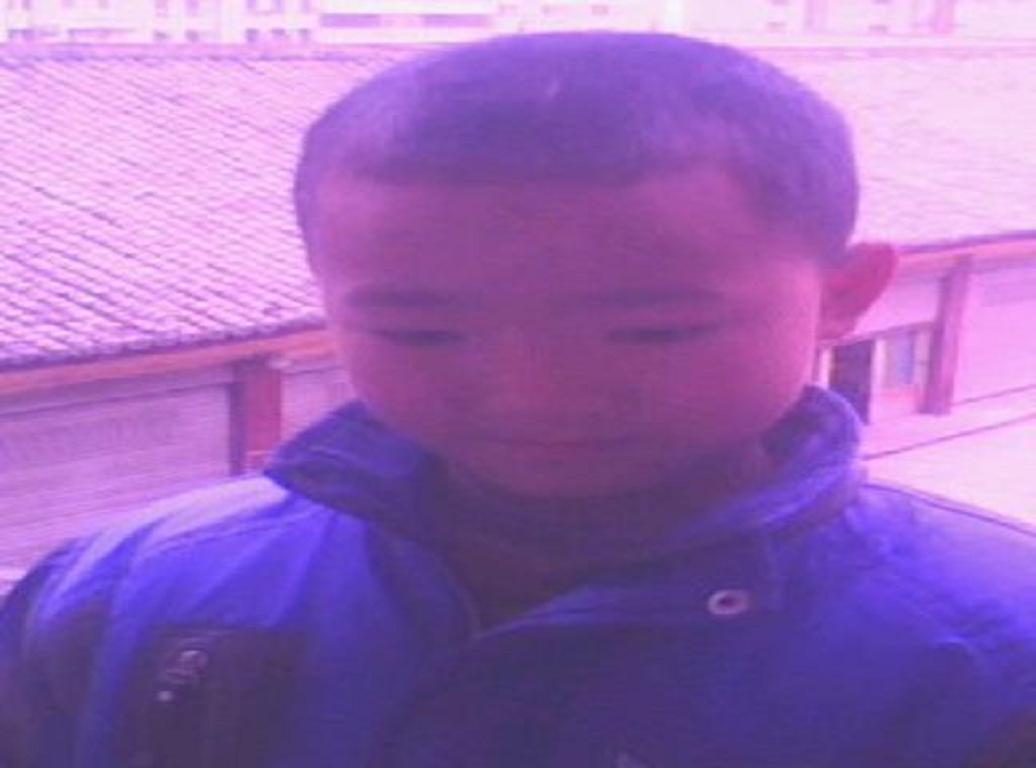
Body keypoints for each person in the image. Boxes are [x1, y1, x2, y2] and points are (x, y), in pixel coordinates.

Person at [1, 32, 1033, 768]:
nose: (538, 395)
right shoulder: (128, 593)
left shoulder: (994, 650)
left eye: (652, 330)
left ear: (844, 294)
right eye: (423, 333)